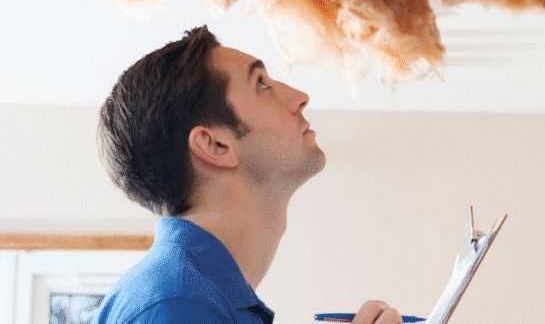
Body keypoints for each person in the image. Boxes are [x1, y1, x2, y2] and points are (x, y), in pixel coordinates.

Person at [95, 26, 403, 324]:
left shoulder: (189, 297)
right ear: (215, 145)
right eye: (261, 85)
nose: (299, 97)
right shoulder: (178, 305)